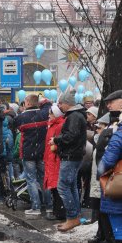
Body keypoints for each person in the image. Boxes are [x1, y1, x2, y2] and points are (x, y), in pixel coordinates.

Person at [50, 90, 87, 232]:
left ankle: (72, 217)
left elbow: (70, 136)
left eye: (60, 103)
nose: (59, 106)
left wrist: (56, 140)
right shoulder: (77, 115)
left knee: (63, 187)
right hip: (74, 156)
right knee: (71, 186)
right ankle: (75, 216)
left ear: (67, 103)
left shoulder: (74, 116)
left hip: (71, 156)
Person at [97, 110, 122, 243]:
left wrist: (102, 171)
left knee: (121, 233)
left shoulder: (120, 137)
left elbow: (105, 163)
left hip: (120, 189)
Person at [15, 94, 52, 215]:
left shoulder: (21, 117)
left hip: (28, 153)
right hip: (42, 152)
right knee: (43, 179)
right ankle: (48, 205)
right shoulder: (45, 114)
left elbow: (18, 129)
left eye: (25, 102)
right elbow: (49, 105)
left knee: (31, 180)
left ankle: (35, 207)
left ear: (28, 103)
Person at [43, 104, 66, 221]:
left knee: (57, 186)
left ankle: (60, 212)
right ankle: (57, 211)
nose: (48, 115)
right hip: (51, 159)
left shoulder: (59, 125)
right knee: (53, 186)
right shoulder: (52, 125)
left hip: (55, 159)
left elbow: (58, 142)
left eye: (50, 113)